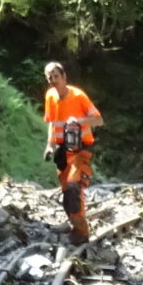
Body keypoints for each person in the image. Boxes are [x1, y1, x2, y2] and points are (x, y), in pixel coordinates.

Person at [42, 61, 103, 240]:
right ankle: (72, 223)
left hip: (81, 147)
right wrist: (49, 145)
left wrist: (78, 120)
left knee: (74, 185)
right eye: (49, 77)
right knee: (66, 190)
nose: (53, 80)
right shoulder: (50, 96)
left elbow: (98, 120)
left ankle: (81, 231)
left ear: (64, 77)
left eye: (56, 76)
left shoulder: (78, 96)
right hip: (62, 149)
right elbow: (52, 123)